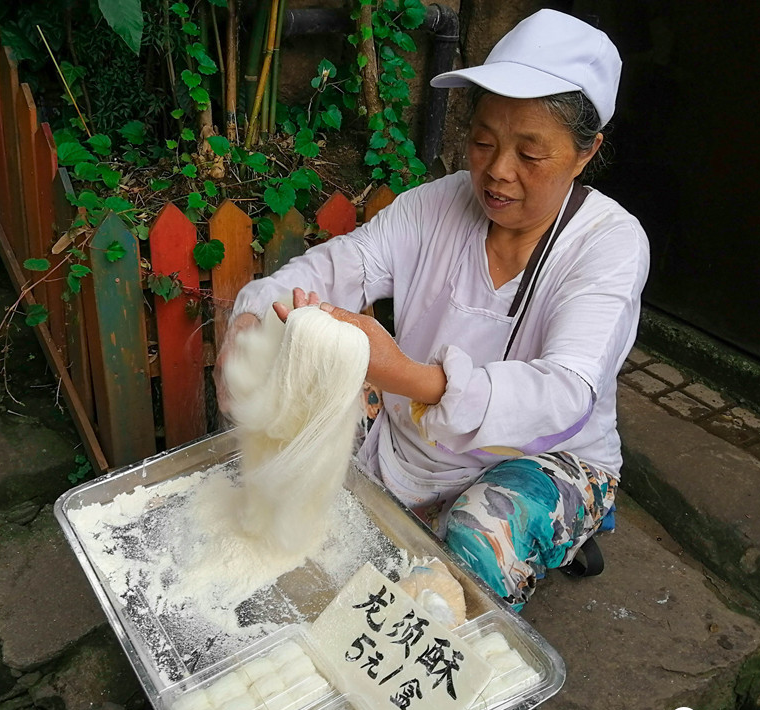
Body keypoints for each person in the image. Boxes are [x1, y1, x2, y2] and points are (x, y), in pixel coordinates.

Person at [220, 9, 650, 610]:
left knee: (466, 554)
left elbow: (565, 392)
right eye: (482, 141)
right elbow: (346, 263)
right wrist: (257, 315)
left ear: (584, 154)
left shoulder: (608, 242)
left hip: (548, 455)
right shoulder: (438, 204)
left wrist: (410, 377)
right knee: (293, 441)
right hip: (414, 429)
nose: (498, 171)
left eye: (530, 154)